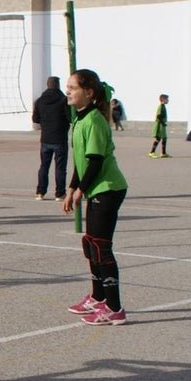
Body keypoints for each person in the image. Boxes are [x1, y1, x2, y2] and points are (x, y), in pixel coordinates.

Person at [63, 69, 129, 326]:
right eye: (67, 86)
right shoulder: (80, 119)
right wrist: (71, 189)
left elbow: (95, 160)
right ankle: (98, 297)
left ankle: (114, 308)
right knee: (90, 243)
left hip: (108, 188)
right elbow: (81, 161)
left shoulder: (94, 121)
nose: (68, 91)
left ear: (88, 93)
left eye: (73, 87)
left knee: (101, 247)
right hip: (96, 188)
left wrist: (81, 190)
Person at [32, 76, 70, 200]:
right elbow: (70, 117)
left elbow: (35, 119)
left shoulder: (40, 101)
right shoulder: (63, 100)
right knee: (60, 167)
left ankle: (40, 192)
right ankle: (59, 193)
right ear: (58, 85)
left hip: (46, 138)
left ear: (47, 85)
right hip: (59, 137)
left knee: (44, 166)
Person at [149, 94, 170, 158]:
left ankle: (163, 153)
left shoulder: (163, 106)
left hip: (162, 125)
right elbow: (158, 116)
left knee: (164, 138)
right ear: (163, 100)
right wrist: (163, 123)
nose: (168, 100)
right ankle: (152, 152)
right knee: (158, 138)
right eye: (167, 99)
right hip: (159, 125)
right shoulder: (161, 107)